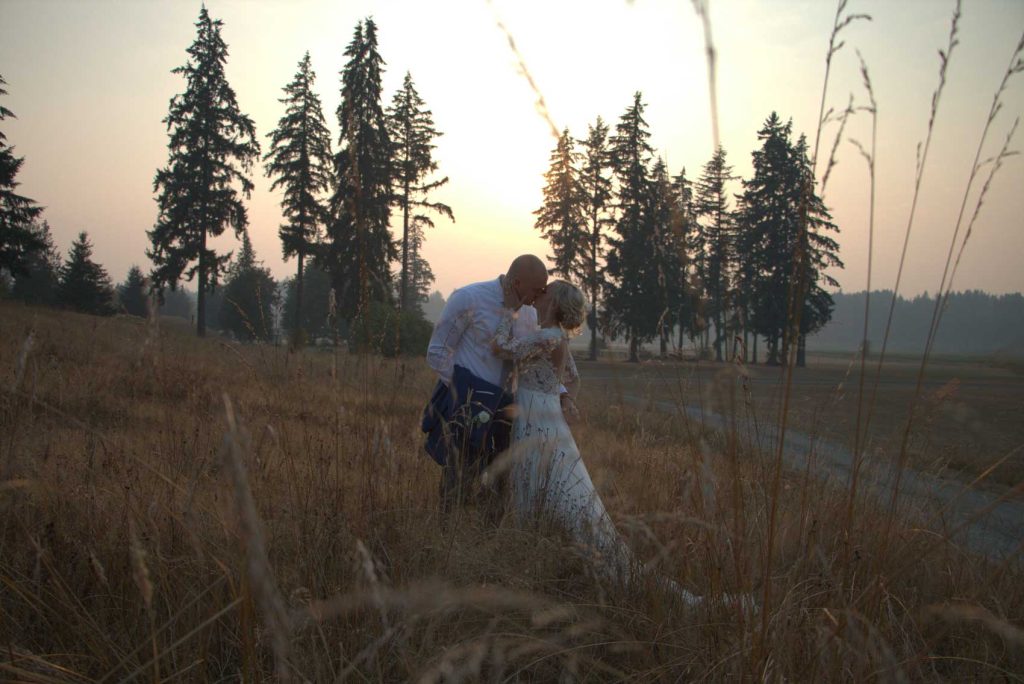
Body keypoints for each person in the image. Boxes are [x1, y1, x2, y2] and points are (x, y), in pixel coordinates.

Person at [490, 279, 711, 607]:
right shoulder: (555, 337)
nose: (537, 295)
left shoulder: (547, 336)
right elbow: (573, 378)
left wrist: (509, 308)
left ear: (554, 303)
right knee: (550, 488)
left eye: (544, 292)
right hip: (544, 414)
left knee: (541, 486)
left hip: (538, 420)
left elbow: (500, 348)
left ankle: (540, 561)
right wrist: (563, 400)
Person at [422, 254, 566, 513]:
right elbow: (437, 352)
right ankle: (447, 538)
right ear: (518, 282)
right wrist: (467, 394)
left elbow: (534, 358)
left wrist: (560, 394)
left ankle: (488, 541)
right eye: (537, 289)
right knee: (458, 480)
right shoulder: (469, 298)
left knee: (501, 488)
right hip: (469, 410)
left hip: (510, 415)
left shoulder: (530, 313)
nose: (540, 296)